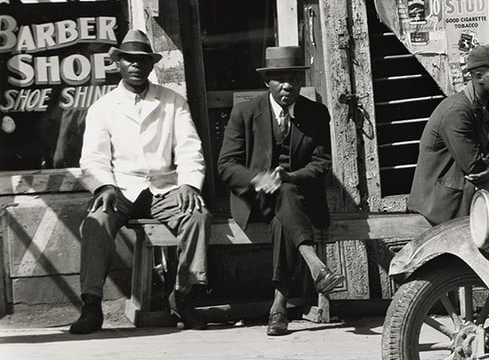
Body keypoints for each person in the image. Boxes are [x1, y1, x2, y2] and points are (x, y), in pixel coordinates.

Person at [70, 29, 210, 335]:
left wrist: (188, 183)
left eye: (143, 61)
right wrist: (104, 186)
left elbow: (190, 148)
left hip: (164, 187)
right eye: (129, 60)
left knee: (197, 215)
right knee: (95, 222)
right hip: (120, 188)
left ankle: (184, 297)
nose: (136, 66)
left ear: (151, 66)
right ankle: (91, 305)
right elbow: (92, 159)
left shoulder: (173, 101)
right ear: (118, 63)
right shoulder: (102, 108)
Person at [217, 46, 344, 337]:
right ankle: (315, 266)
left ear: (301, 82)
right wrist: (259, 179)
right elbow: (226, 165)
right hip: (255, 200)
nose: (288, 85)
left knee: (284, 206)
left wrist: (292, 176)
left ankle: (279, 306)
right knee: (283, 195)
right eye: (280, 79)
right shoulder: (245, 112)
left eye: (294, 79)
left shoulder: (315, 113)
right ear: (267, 82)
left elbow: (322, 164)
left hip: (296, 202)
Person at [407, 44, 489, 225]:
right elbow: (475, 166)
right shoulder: (457, 111)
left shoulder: (478, 106)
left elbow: (480, 154)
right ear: (479, 77)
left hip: (462, 191)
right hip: (443, 205)